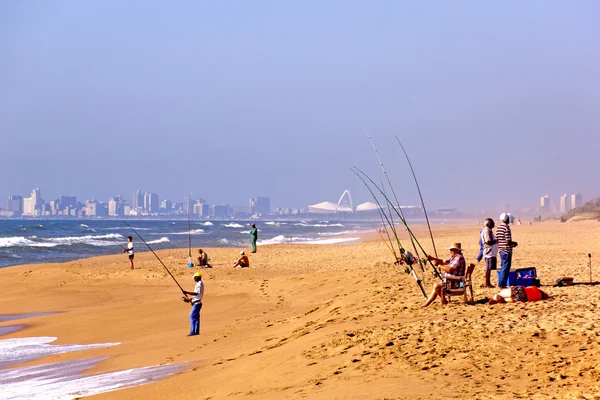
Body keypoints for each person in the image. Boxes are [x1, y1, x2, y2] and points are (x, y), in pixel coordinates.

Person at [422, 242, 468, 307]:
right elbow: (444, 261)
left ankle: (444, 301)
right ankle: (426, 304)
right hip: (452, 281)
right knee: (436, 287)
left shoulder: (459, 257)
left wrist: (439, 265)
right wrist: (433, 258)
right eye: (450, 249)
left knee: (437, 286)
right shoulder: (454, 257)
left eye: (452, 249)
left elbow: (449, 269)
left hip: (457, 283)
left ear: (457, 250)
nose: (450, 251)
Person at [497, 213, 517, 288]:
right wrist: (514, 243)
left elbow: (498, 239)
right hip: (506, 250)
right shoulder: (506, 228)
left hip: (501, 250)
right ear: (506, 219)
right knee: (505, 268)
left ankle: (501, 283)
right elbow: (507, 241)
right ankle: (502, 284)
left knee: (503, 267)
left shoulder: (499, 228)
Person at [182, 272, 204, 336]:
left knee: (191, 316)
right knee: (196, 317)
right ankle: (196, 331)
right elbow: (196, 296)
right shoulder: (199, 283)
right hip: (197, 302)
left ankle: (192, 332)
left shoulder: (199, 284)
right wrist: (188, 300)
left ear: (197, 277)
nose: (194, 279)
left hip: (197, 304)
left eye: (194, 277)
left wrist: (186, 292)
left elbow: (196, 293)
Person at [479, 218, 498, 288]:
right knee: (488, 268)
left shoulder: (489, 230)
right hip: (489, 252)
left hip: (490, 252)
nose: (493, 224)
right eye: (492, 223)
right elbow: (488, 242)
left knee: (489, 268)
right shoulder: (486, 231)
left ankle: (488, 283)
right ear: (487, 224)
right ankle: (487, 284)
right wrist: (495, 242)